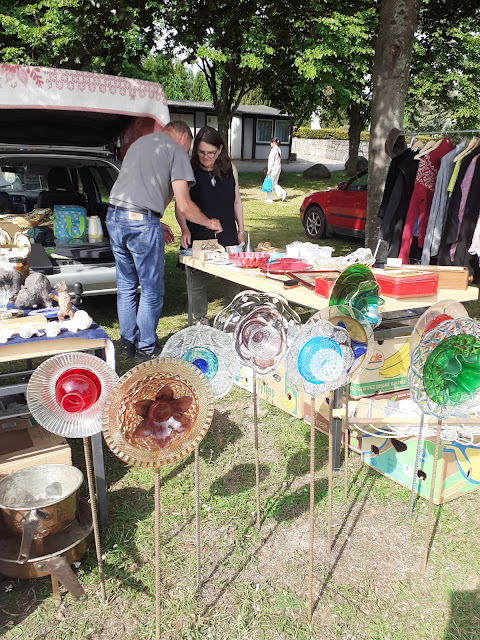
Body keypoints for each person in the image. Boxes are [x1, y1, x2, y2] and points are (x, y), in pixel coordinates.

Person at [107, 121, 222, 362]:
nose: (188, 152)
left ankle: (128, 343)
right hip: (141, 221)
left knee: (126, 285)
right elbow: (184, 204)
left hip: (115, 217)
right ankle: (146, 347)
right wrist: (209, 222)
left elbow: (141, 189)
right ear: (184, 138)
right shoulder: (175, 150)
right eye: (190, 147)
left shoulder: (140, 144)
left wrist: (155, 221)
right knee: (151, 289)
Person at [175, 126, 245, 325]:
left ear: (220, 149)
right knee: (198, 280)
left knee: (232, 278)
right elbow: (180, 206)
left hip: (227, 231)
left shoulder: (230, 169)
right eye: (201, 152)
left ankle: (233, 318)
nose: (206, 157)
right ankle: (201, 319)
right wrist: (184, 229)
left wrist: (241, 230)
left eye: (211, 153)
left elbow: (237, 201)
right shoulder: (189, 171)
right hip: (198, 232)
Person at [265, 137, 287, 203]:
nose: (270, 144)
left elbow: (271, 161)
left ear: (273, 142)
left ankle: (269, 198)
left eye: (270, 143)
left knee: (270, 184)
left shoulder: (273, 150)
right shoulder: (278, 149)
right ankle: (283, 193)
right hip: (278, 168)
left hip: (273, 169)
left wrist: (269, 170)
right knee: (274, 184)